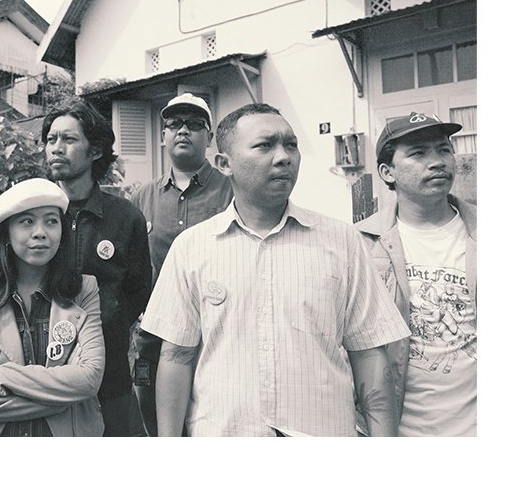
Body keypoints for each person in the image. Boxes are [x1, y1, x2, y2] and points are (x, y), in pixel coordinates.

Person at [139, 103, 412, 437]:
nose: (284, 157)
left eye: (291, 145)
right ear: (225, 164)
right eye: (265, 145)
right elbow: (177, 357)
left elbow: (369, 355)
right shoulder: (191, 247)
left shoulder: (342, 242)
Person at [0, 178, 105, 437]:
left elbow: (89, 378)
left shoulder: (83, 291)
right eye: (27, 222)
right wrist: (60, 400)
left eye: (51, 221)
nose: (40, 232)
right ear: (6, 233)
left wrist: (3, 376)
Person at [355, 112, 477, 437]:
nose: (437, 162)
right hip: (399, 432)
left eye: (444, 149)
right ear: (387, 172)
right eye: (419, 153)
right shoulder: (362, 244)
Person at [43, 100, 152, 436]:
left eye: (68, 139)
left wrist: (109, 320)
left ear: (95, 151)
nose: (56, 148)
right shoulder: (33, 212)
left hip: (110, 375)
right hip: (43, 371)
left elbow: (138, 289)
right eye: (51, 139)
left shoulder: (125, 217)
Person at [129, 93, 232, 436]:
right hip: (155, 333)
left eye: (194, 124)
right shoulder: (143, 196)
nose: (183, 130)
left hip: (216, 330)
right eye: (174, 124)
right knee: (158, 422)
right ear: (163, 136)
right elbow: (133, 266)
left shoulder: (231, 190)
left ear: (209, 136)